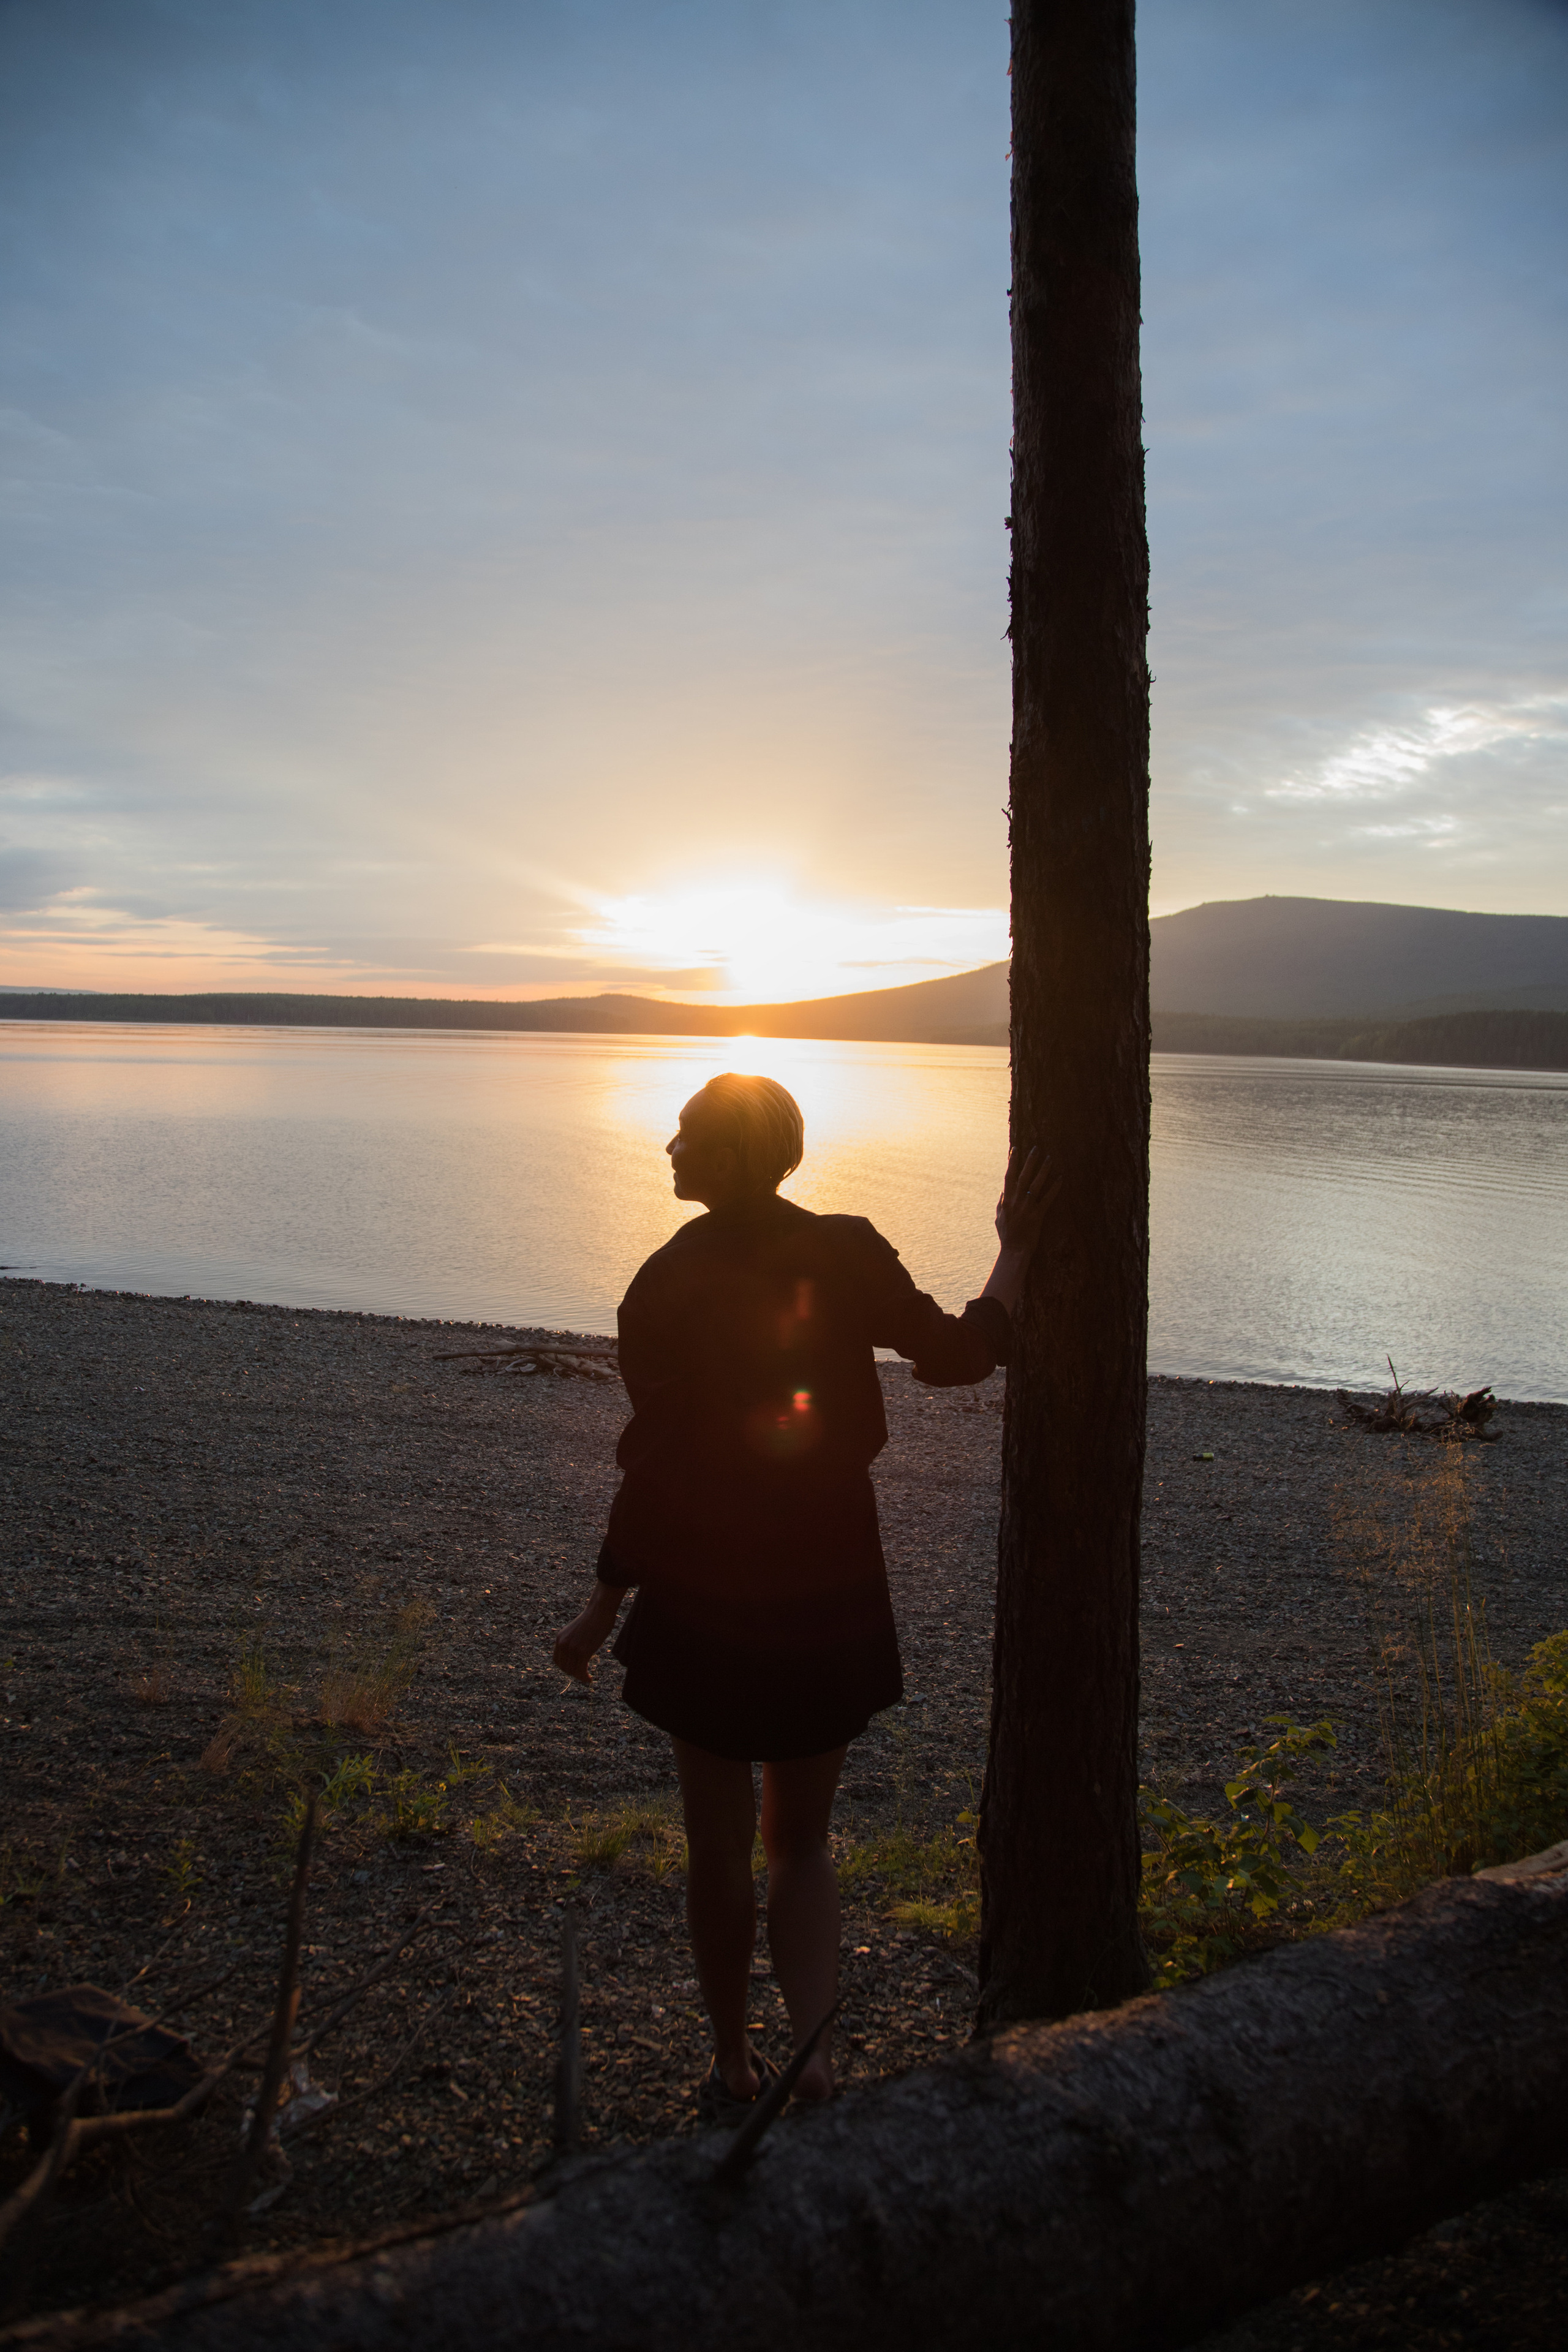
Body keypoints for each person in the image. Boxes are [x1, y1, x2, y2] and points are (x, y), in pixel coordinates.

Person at [552, 1072, 1052, 2119]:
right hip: (828, 1573)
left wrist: (604, 1607)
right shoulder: (846, 1245)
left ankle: (736, 2066)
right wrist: (1014, 1248)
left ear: (731, 1156)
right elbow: (960, 1358)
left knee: (720, 1844)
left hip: (702, 1587)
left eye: (687, 1134)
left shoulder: (659, 1286)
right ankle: (814, 2056)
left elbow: (657, 1470)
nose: (669, 1146)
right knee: (803, 1840)